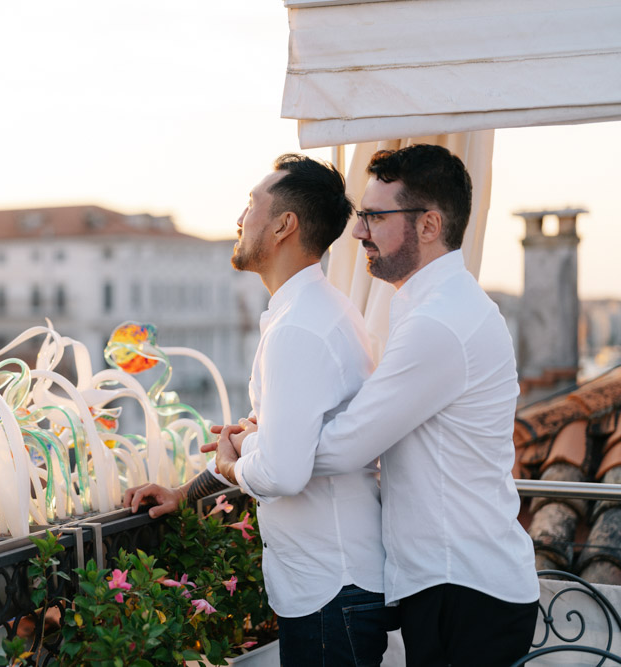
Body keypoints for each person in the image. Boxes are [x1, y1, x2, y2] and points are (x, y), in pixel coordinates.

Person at [213, 144, 540, 666]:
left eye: (374, 217)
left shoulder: (440, 322)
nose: (358, 230)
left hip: (464, 584)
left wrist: (255, 447)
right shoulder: (434, 308)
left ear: (429, 224)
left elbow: (344, 446)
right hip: (457, 580)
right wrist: (273, 441)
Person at [124, 154, 396, 666]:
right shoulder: (320, 311)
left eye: (252, 205)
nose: (240, 218)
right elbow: (272, 446)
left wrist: (232, 461)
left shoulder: (299, 328)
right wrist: (186, 492)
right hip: (336, 585)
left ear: (283, 226)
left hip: (329, 590)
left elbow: (281, 470)